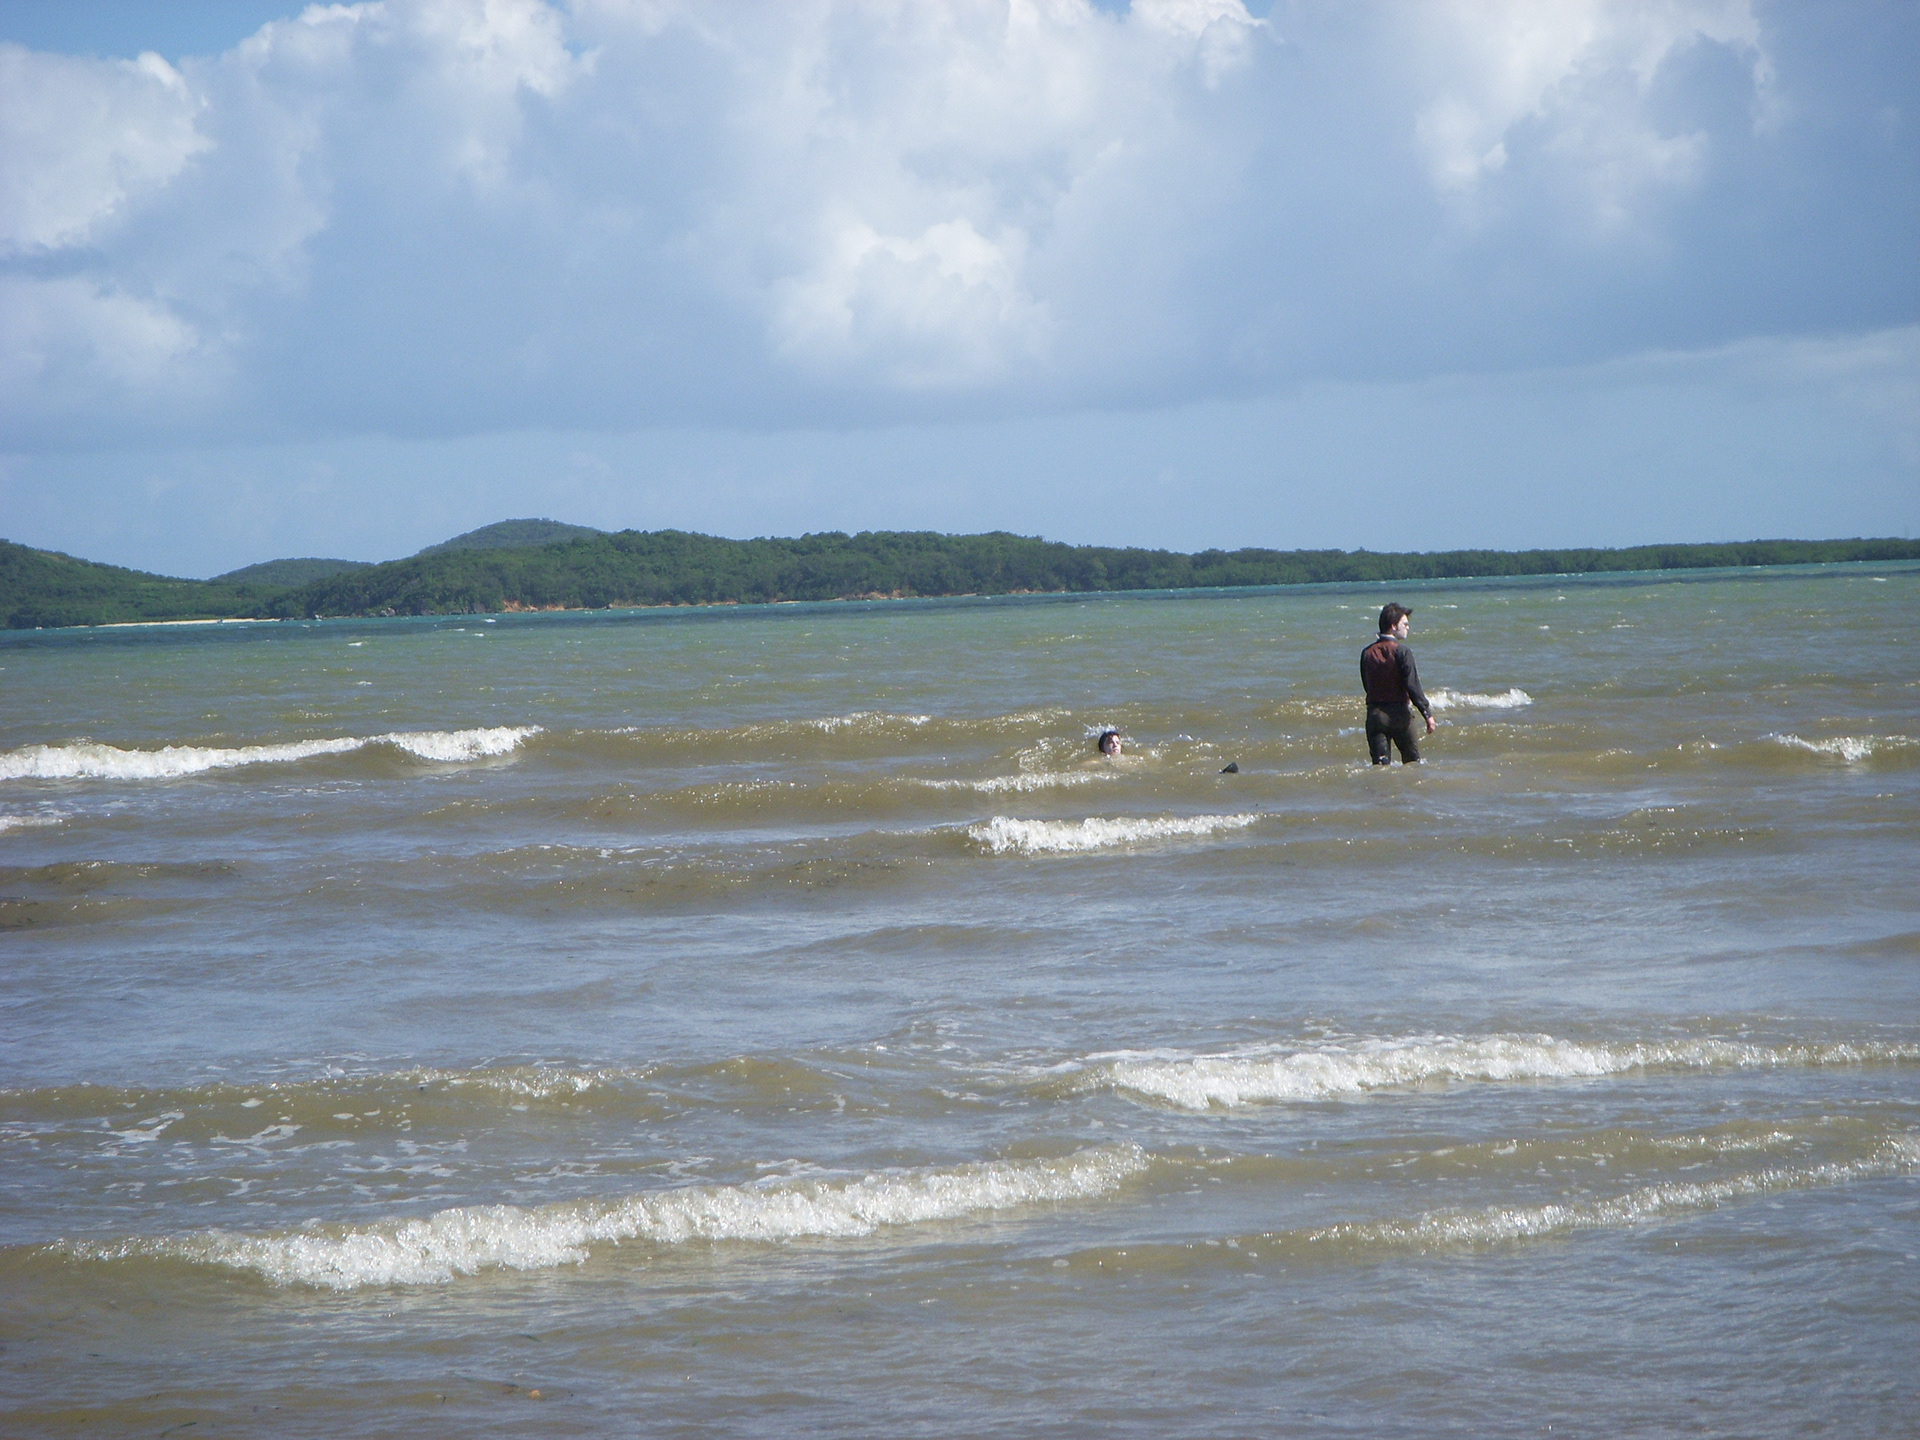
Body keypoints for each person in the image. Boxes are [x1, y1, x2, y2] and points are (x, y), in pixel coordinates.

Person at [1361, 603, 1434, 764]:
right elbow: (1413, 686)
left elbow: (1367, 685)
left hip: (1375, 715)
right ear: (1393, 626)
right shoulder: (1403, 651)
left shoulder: (1367, 653)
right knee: (1412, 763)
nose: (1408, 628)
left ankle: (1382, 790)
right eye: (1405, 624)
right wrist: (1427, 714)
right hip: (1399, 714)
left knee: (1380, 765)